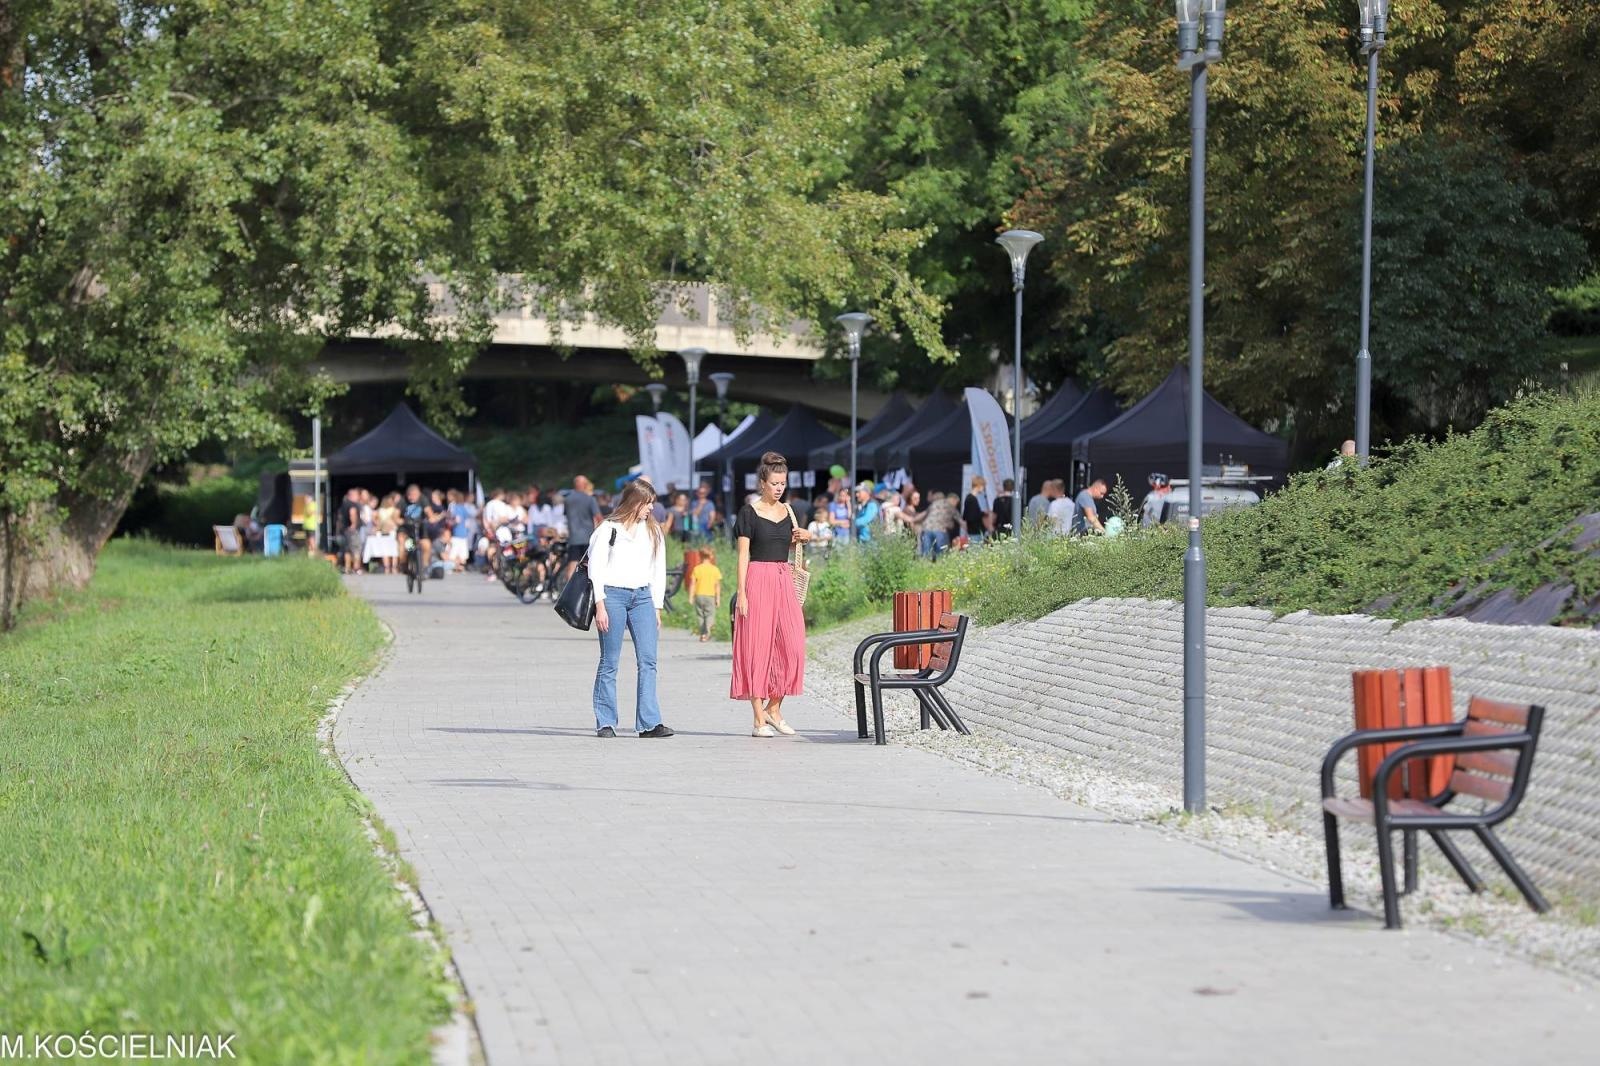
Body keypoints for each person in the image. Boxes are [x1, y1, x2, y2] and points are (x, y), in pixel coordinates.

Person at [732, 451, 812, 737]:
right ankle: (758, 719)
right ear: (762, 483)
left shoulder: (788, 511)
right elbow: (743, 555)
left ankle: (774, 708)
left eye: (783, 483)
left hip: (783, 578)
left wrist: (806, 537)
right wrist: (741, 593)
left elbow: (789, 548)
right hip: (757, 578)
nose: (779, 488)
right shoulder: (749, 513)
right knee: (757, 646)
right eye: (775, 483)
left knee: (793, 644)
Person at [589, 479, 674, 738]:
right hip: (612, 596)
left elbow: (658, 569)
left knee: (648, 661)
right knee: (609, 661)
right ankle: (606, 721)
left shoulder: (653, 531)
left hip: (643, 598)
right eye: (647, 504)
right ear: (634, 502)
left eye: (652, 504)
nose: (651, 509)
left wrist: (657, 607)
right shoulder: (608, 529)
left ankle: (649, 723)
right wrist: (599, 605)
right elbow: (596, 568)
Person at [562, 475, 602, 586]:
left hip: (574, 537)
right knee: (590, 564)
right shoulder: (590, 499)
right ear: (584, 485)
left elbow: (566, 515)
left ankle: (568, 591)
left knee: (572, 564)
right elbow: (598, 517)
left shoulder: (568, 499)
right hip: (588, 536)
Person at [689, 545, 723, 643]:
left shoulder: (697, 569)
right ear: (711, 556)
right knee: (710, 615)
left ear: (700, 556)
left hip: (699, 595)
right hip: (710, 596)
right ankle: (707, 633)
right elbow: (717, 586)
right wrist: (718, 599)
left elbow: (692, 584)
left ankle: (702, 634)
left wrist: (691, 597)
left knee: (700, 615)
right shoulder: (715, 569)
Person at [919, 491, 958, 559]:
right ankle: (938, 567)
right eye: (956, 503)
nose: (956, 505)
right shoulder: (950, 505)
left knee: (926, 554)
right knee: (940, 555)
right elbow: (960, 521)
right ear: (953, 499)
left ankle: (925, 567)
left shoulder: (935, 504)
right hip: (940, 531)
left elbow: (923, 514)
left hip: (927, 529)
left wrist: (911, 519)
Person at [372, 493, 401, 573]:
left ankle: (394, 566)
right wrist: (378, 525)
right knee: (384, 549)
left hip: (392, 531)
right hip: (383, 531)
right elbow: (376, 519)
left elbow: (396, 520)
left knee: (394, 549)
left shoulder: (394, 510)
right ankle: (387, 566)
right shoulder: (380, 510)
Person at [338, 489, 364, 574]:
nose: (358, 497)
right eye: (357, 495)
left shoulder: (344, 504)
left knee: (347, 549)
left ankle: (347, 567)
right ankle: (356, 568)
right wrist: (353, 524)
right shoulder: (352, 504)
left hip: (346, 530)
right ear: (352, 495)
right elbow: (352, 513)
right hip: (352, 530)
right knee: (356, 548)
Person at [961, 475, 989, 546]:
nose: (983, 489)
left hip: (973, 530)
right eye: (983, 486)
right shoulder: (972, 499)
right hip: (976, 531)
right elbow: (972, 516)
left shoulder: (969, 498)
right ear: (979, 485)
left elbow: (965, 515)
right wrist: (983, 514)